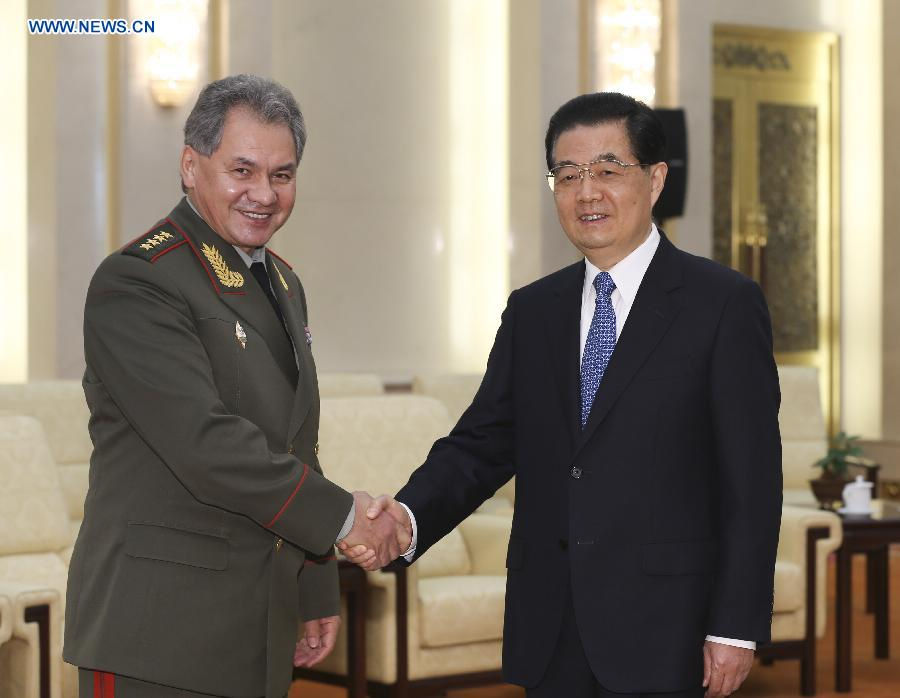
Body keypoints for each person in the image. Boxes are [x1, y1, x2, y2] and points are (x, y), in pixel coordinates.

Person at [342, 92, 782, 698]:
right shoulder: (534, 311)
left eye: (607, 170)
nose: (586, 192)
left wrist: (735, 625)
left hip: (667, 628)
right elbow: (482, 444)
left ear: (655, 180)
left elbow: (752, 482)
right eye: (568, 175)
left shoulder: (722, 304)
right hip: (550, 624)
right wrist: (408, 519)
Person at [64, 75, 407, 698]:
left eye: (282, 174)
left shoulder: (281, 281)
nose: (263, 194)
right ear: (190, 166)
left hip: (255, 623)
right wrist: (343, 518)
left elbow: (297, 442)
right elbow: (206, 443)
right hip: (158, 629)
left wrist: (312, 587)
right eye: (242, 170)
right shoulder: (138, 282)